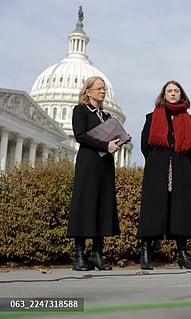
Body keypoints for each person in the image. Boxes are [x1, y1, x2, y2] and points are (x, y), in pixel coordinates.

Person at [137, 80, 191, 270]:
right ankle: (146, 252)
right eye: (169, 91)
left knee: (181, 210)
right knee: (152, 210)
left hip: (181, 168)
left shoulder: (189, 119)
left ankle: (182, 254)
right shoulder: (152, 117)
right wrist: (157, 161)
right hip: (158, 169)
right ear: (164, 95)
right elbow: (144, 145)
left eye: (176, 91)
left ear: (181, 94)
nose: (173, 94)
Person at [67, 76, 121, 271]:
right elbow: (80, 135)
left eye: (104, 88)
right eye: (98, 88)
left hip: (105, 165)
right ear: (88, 91)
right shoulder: (80, 111)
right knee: (85, 206)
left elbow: (113, 136)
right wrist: (105, 145)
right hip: (88, 164)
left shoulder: (106, 116)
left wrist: (119, 141)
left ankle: (97, 254)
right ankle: (79, 255)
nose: (103, 91)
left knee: (103, 207)